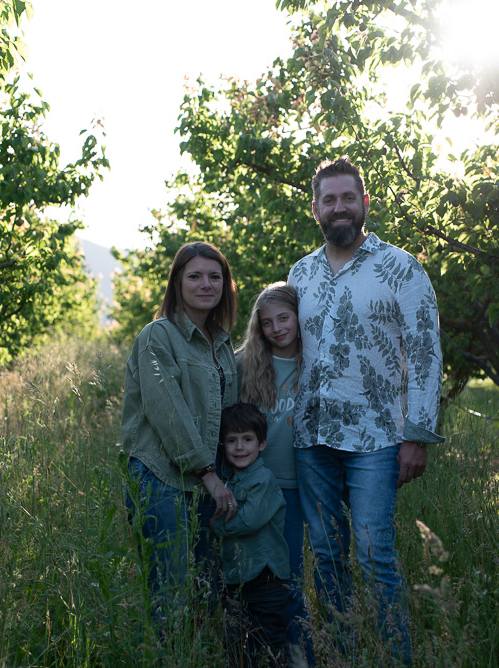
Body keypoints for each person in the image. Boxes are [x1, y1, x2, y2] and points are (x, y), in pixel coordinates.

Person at [287, 156, 444, 663]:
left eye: (347, 198)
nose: (339, 208)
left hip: (377, 438)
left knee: (375, 555)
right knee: (328, 556)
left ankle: (395, 655)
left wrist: (417, 434)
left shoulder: (401, 267)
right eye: (329, 200)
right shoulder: (300, 273)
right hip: (311, 437)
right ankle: (344, 650)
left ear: (364, 203)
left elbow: (425, 351)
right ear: (315, 209)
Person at [121, 241, 240, 628]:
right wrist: (208, 473)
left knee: (210, 589)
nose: (206, 284)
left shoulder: (221, 344)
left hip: (210, 482)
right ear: (177, 283)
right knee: (169, 594)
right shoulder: (158, 336)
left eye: (214, 276)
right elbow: (167, 410)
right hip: (163, 478)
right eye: (194, 276)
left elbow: (230, 416)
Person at [236, 282, 315, 666]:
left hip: (306, 484)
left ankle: (301, 649)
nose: (277, 328)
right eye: (267, 323)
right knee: (271, 575)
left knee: (297, 574)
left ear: (300, 317)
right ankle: (268, 647)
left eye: (284, 317)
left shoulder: (316, 360)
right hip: (263, 485)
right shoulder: (246, 362)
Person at [211, 402, 290, 668]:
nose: (240, 447)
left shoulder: (263, 480)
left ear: (262, 443)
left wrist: (213, 525)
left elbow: (248, 520)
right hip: (236, 579)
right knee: (236, 644)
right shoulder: (226, 481)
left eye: (247, 439)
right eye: (232, 441)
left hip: (266, 579)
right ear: (223, 445)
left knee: (271, 644)